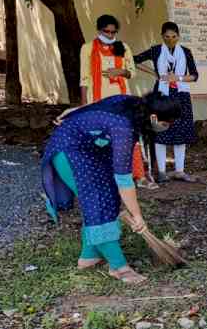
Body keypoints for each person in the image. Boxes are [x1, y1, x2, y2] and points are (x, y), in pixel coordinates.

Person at [42, 93, 181, 284]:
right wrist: (137, 215)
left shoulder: (134, 105)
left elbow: (98, 105)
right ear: (154, 117)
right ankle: (119, 267)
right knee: (98, 201)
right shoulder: (123, 127)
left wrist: (75, 111)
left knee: (108, 196)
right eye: (167, 123)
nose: (168, 127)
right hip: (70, 150)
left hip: (91, 149)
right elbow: (124, 179)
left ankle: (89, 256)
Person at [74, 15, 156, 190]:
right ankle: (104, 177)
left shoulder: (123, 47)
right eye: (106, 32)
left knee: (130, 138)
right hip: (98, 100)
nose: (110, 35)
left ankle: (139, 176)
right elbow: (84, 78)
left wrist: (120, 71)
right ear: (99, 30)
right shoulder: (87, 48)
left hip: (122, 100)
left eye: (113, 32)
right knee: (100, 138)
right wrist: (83, 105)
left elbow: (132, 72)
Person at [134, 21, 199, 183]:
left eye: (174, 37)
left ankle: (179, 171)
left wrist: (178, 77)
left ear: (178, 36)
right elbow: (134, 60)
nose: (170, 40)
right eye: (167, 37)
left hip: (181, 95)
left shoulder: (186, 52)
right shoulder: (156, 51)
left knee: (181, 132)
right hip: (161, 96)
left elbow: (195, 75)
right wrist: (155, 73)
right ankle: (161, 172)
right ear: (162, 36)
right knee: (160, 131)